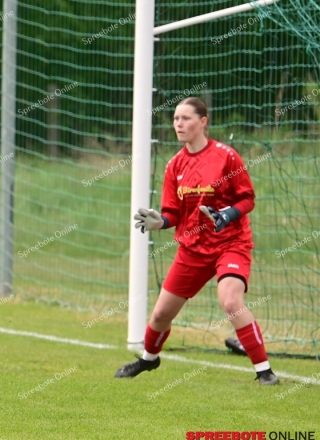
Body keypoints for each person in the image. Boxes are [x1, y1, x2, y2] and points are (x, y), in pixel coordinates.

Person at [115, 97, 278, 385]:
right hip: (192, 248)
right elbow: (172, 212)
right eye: (176, 118)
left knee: (230, 301)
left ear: (203, 122)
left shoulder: (226, 156)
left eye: (186, 118)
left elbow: (247, 198)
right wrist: (160, 222)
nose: (179, 123)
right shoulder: (174, 165)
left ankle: (264, 372)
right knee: (161, 314)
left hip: (231, 243)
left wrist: (227, 215)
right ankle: (148, 360)